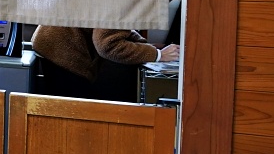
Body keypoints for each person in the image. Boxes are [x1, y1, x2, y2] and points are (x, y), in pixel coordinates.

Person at [32, 26, 181, 101]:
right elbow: (108, 45)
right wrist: (158, 55)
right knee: (73, 115)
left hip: (52, 42)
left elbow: (117, 29)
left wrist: (145, 47)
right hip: (63, 49)